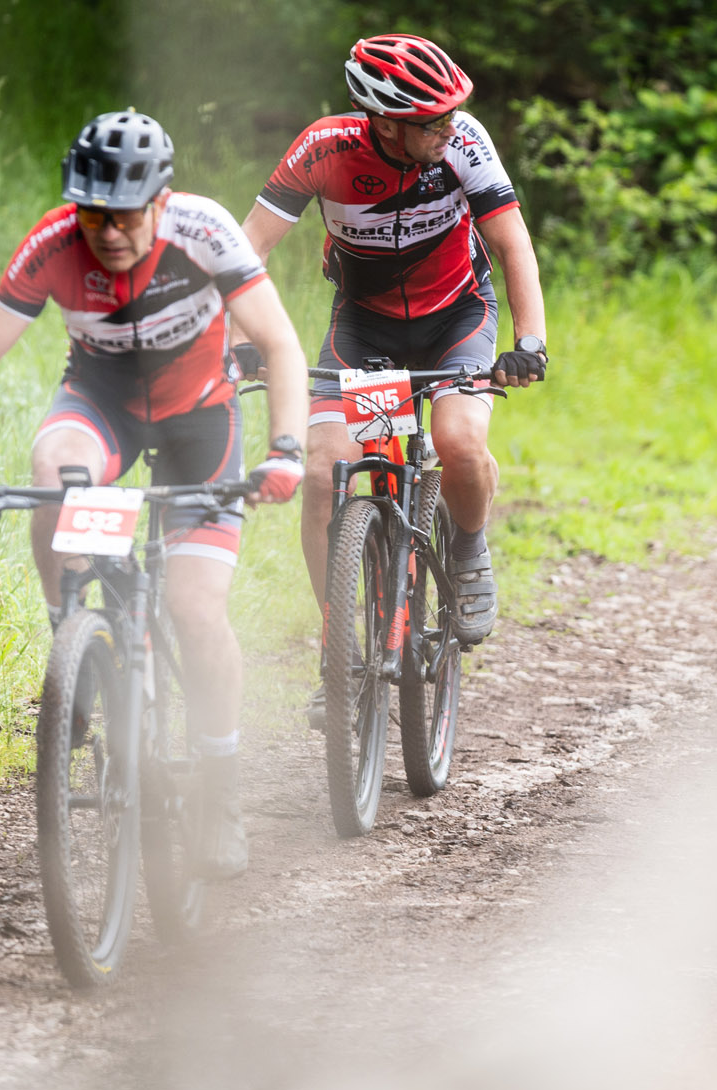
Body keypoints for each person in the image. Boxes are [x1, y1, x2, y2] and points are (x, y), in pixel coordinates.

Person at [0, 109, 310, 878]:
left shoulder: (204, 230)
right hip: (102, 407)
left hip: (201, 420)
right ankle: (74, 645)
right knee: (51, 468)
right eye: (93, 215)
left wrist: (286, 451)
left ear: (161, 202)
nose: (108, 232)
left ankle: (219, 786)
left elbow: (280, 342)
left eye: (126, 216)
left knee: (195, 609)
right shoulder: (54, 242)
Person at [234, 32, 548, 723]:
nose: (448, 129)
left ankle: (468, 549)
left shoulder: (465, 142)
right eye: (431, 121)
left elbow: (511, 242)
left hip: (458, 316)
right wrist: (240, 340)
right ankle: (339, 652)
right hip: (364, 326)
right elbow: (247, 249)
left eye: (450, 115)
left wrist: (529, 341)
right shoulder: (324, 149)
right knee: (324, 472)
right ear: (384, 122)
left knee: (459, 439)